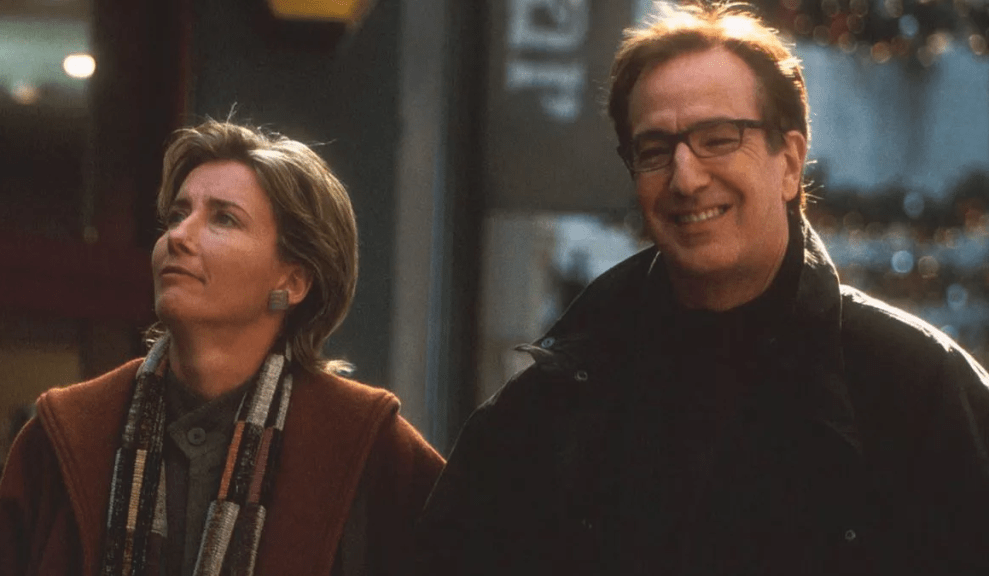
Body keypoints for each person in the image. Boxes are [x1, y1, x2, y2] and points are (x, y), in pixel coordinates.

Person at [416, 3, 989, 575]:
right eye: (655, 151)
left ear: (790, 162)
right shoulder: (549, 410)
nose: (686, 178)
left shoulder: (919, 391)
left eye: (718, 139)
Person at [0, 120, 444, 576]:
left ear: (292, 281)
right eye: (177, 215)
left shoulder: (365, 443)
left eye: (223, 218)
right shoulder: (67, 430)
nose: (177, 236)